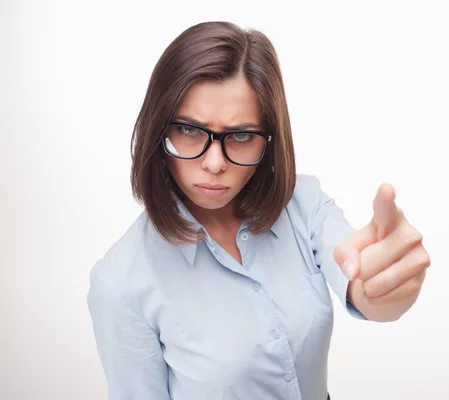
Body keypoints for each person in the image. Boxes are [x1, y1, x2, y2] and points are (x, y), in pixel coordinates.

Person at [87, 21, 430, 400]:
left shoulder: (305, 203)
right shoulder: (120, 282)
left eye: (241, 136)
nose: (215, 163)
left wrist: (385, 283)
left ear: (269, 139)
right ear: (158, 131)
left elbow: (365, 283)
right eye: (189, 130)